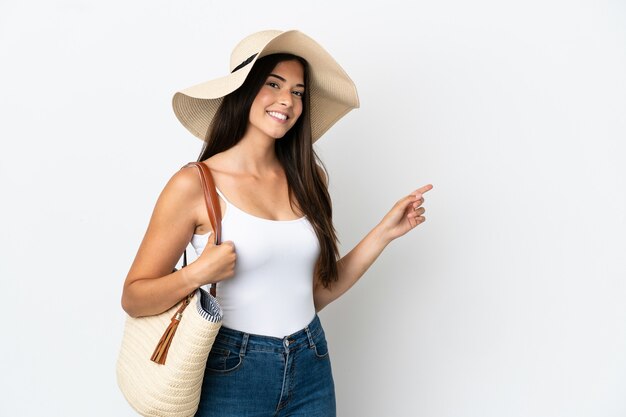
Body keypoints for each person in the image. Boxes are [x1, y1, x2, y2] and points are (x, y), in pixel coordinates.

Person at [121, 29, 432, 417]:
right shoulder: (194, 185)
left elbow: (317, 292)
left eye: (298, 91)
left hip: (311, 361)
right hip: (230, 370)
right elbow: (133, 297)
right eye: (274, 84)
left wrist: (385, 232)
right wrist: (196, 274)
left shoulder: (305, 178)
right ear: (244, 91)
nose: (288, 100)